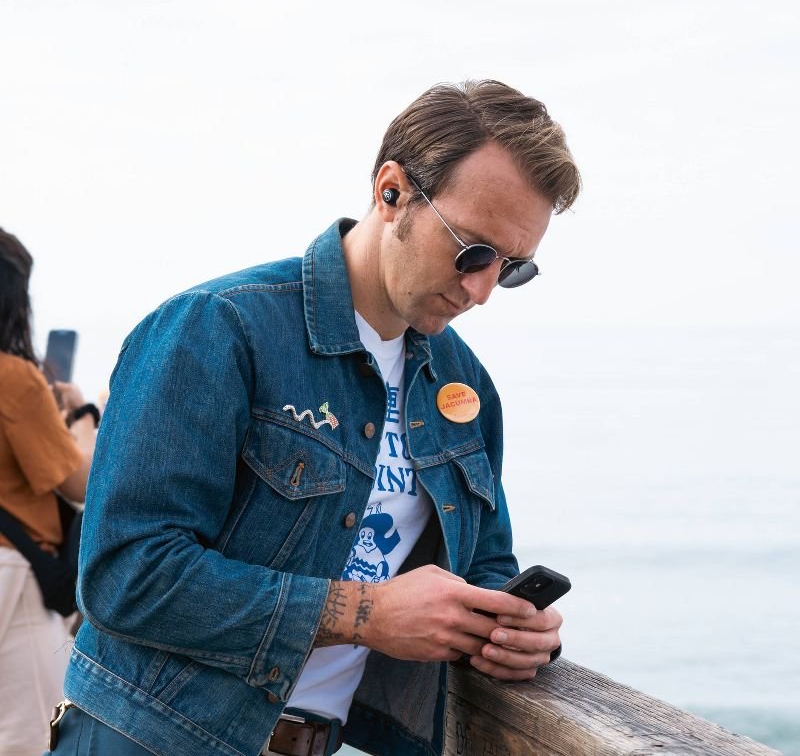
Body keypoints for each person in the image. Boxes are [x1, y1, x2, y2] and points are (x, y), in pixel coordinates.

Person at [52, 80, 581, 756]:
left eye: (510, 268)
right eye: (472, 250)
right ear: (392, 192)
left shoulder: (464, 384)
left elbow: (483, 560)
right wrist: (364, 613)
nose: (480, 291)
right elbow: (125, 575)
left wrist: (514, 628)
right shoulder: (216, 329)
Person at [0, 229, 96, 756]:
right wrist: (84, 414)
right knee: (35, 733)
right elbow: (79, 480)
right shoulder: (15, 378)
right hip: (11, 569)